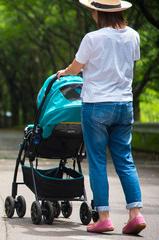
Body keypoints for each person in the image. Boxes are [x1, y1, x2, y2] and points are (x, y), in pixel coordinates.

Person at [56, 0, 146, 235]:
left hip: (96, 105)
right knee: (125, 160)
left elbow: (75, 69)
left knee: (97, 160)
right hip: (124, 105)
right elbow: (127, 65)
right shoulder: (133, 35)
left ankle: (104, 217)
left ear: (97, 12)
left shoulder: (92, 38)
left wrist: (63, 72)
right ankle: (135, 215)